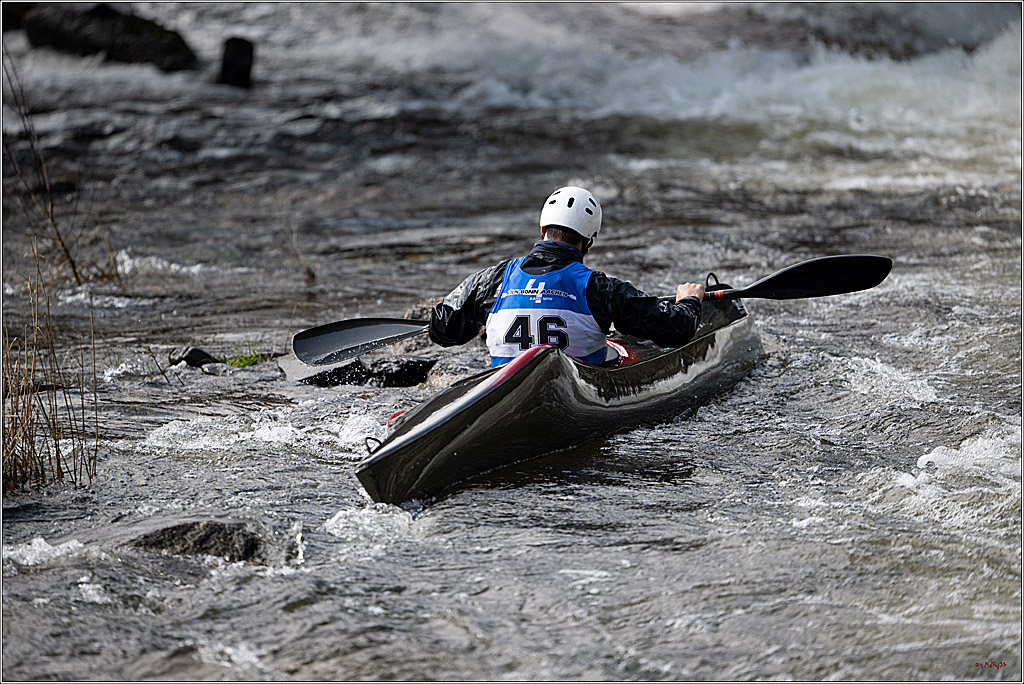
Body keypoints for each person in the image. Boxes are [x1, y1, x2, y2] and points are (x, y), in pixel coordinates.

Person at [429, 186, 706, 367]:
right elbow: (676, 330)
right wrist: (689, 302)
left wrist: (480, 315)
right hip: (575, 391)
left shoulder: (492, 279)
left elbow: (443, 330)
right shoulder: (600, 289)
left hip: (505, 390)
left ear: (542, 229)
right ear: (589, 241)